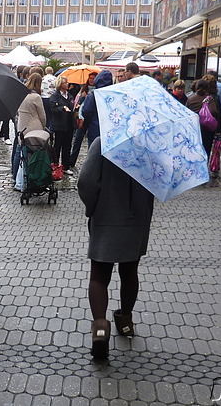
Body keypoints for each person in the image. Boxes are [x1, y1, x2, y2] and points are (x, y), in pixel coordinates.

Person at [77, 137, 155, 359]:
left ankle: (100, 329)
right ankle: (126, 322)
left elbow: (86, 182)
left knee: (99, 277)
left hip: (106, 216)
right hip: (137, 219)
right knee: (130, 272)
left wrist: (92, 208)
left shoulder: (104, 143)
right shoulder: (149, 145)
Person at [14, 73, 46, 191]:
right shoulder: (36, 97)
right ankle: (32, 180)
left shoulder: (21, 95)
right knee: (34, 156)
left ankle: (19, 181)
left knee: (22, 154)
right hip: (34, 127)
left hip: (22, 127)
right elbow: (42, 115)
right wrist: (44, 127)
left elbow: (17, 111)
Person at [68, 71, 98, 170]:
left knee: (92, 141)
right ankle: (72, 160)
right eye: (90, 78)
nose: (92, 80)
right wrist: (82, 98)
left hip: (93, 118)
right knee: (77, 139)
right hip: (82, 117)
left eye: (94, 78)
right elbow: (78, 104)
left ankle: (91, 162)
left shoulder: (99, 91)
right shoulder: (84, 90)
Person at [186, 78, 220, 158]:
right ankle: (204, 165)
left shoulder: (191, 99)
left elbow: (186, 112)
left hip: (193, 127)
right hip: (206, 129)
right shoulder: (209, 99)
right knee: (206, 149)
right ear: (207, 88)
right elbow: (214, 112)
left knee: (194, 148)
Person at [81, 69, 114, 145]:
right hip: (110, 130)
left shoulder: (92, 96)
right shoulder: (114, 95)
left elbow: (86, 111)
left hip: (94, 128)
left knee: (94, 151)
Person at [49, 76, 75, 175]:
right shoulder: (55, 96)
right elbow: (53, 110)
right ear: (60, 84)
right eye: (65, 82)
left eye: (67, 82)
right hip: (59, 125)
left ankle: (65, 166)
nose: (67, 84)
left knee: (67, 146)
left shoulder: (70, 96)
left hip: (69, 124)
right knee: (57, 146)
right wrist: (62, 108)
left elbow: (72, 105)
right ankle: (55, 165)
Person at [41, 66, 57, 130]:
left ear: (46, 72)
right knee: (52, 115)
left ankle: (47, 127)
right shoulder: (55, 78)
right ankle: (52, 128)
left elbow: (41, 89)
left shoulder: (43, 79)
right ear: (52, 71)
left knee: (46, 114)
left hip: (44, 98)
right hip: (53, 98)